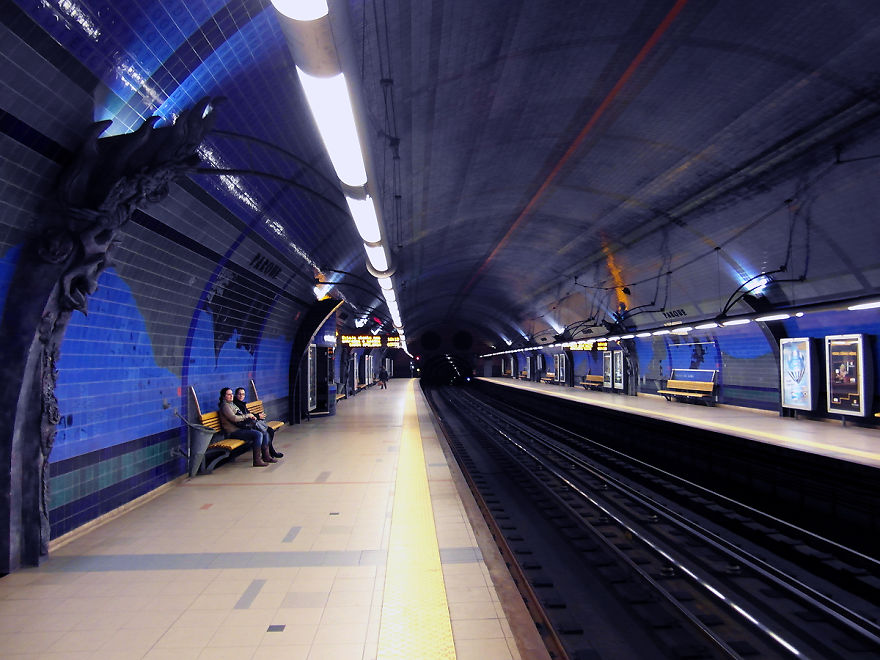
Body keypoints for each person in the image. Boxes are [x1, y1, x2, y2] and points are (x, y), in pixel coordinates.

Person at [218, 387, 274, 467]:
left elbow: (240, 414)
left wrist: (251, 417)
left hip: (240, 429)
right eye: (228, 394)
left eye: (231, 394)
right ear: (224, 396)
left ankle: (266, 456)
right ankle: (257, 460)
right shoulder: (225, 406)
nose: (231, 396)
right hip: (233, 432)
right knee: (258, 434)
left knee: (263, 432)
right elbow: (234, 418)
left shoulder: (231, 404)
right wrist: (247, 416)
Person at [233, 387, 283, 458]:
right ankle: (269, 453)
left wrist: (257, 415)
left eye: (243, 394)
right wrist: (257, 416)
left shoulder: (241, 404)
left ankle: (269, 452)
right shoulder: (236, 405)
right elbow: (244, 417)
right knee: (266, 431)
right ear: (236, 395)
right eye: (239, 394)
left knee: (269, 430)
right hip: (246, 426)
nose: (241, 396)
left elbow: (248, 414)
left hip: (249, 424)